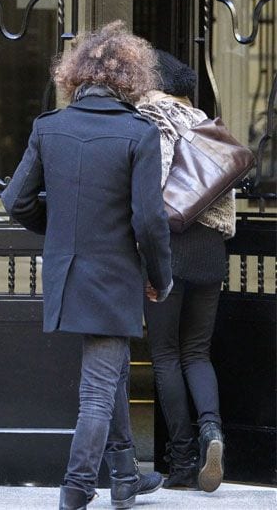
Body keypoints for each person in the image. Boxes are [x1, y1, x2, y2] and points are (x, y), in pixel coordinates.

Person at [1, 21, 173, 510]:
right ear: (132, 77)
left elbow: (16, 200)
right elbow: (149, 220)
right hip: (114, 275)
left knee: (112, 372)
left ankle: (124, 475)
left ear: (76, 75)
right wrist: (160, 276)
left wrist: (57, 230)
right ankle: (76, 488)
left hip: (67, 273)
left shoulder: (48, 128)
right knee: (99, 387)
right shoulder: (139, 133)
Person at [137, 50, 235, 492]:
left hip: (169, 250)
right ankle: (213, 431)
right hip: (211, 250)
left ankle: (181, 460)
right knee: (197, 352)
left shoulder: (150, 120)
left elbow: (151, 192)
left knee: (166, 355)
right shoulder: (207, 124)